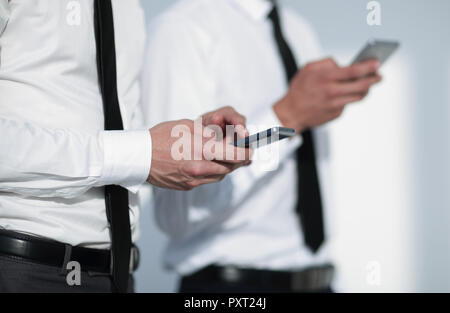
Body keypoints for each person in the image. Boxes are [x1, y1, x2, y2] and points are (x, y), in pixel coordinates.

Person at [0, 0, 250, 293]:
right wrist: (141, 154)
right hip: (21, 268)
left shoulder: (128, 6)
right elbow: (133, 154)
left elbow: (109, 122)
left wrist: (187, 142)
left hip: (117, 274)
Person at [142, 0, 382, 293]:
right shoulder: (182, 29)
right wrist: (286, 116)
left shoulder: (298, 29)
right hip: (232, 290)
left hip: (320, 281)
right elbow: (176, 214)